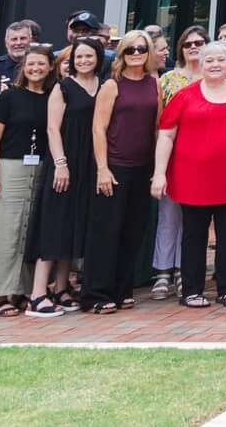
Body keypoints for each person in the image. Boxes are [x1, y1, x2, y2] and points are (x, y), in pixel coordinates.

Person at [153, 40, 226, 309]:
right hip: (193, 179)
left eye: (221, 60)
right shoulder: (185, 95)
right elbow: (166, 135)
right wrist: (159, 173)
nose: (214, 65)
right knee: (194, 236)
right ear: (201, 63)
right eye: (209, 60)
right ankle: (192, 290)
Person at [82, 29, 161, 314]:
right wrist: (102, 168)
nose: (136, 54)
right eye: (130, 50)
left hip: (143, 168)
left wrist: (158, 168)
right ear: (122, 54)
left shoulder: (155, 84)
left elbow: (157, 128)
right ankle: (95, 293)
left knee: (132, 231)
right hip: (114, 166)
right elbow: (98, 128)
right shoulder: (112, 85)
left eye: (141, 49)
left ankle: (121, 288)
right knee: (106, 232)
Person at [23, 37, 102, 316]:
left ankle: (61, 288)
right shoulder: (63, 87)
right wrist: (60, 163)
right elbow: (52, 129)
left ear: (98, 58)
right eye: (78, 57)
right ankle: (37, 293)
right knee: (54, 225)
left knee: (73, 224)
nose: (83, 61)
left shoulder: (102, 86)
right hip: (64, 163)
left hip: (88, 165)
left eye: (88, 56)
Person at [0, 44, 48, 315]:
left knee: (27, 231)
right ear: (23, 68)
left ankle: (19, 290)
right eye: (31, 64)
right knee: (2, 232)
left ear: (49, 67)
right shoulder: (9, 97)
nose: (36, 68)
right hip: (9, 168)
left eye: (41, 64)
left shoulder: (52, 97)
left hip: (40, 170)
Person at [150, 25, 207, 298]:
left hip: (204, 156)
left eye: (199, 43)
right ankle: (163, 271)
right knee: (169, 215)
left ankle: (186, 269)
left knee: (194, 218)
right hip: (173, 153)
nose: (194, 47)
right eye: (188, 44)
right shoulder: (168, 80)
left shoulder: (218, 76)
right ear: (180, 49)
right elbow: (158, 121)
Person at [0, 20, 39, 89]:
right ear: (6, 43)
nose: (18, 43)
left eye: (23, 38)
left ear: (31, 40)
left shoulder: (41, 65)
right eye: (14, 39)